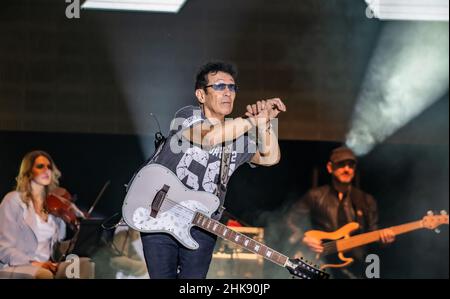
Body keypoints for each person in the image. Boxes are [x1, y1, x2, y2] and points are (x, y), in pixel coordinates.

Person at [140, 61, 287, 279]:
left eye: (232, 87)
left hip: (202, 226)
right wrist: (251, 120)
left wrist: (264, 124)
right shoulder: (187, 116)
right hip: (161, 216)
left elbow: (270, 158)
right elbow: (209, 137)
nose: (228, 92)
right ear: (201, 95)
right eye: (219, 86)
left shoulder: (238, 136)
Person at [286, 146, 395, 279]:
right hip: (321, 264)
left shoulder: (366, 200)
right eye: (341, 165)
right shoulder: (315, 196)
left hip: (356, 269)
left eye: (351, 165)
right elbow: (288, 221)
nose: (347, 169)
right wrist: (303, 238)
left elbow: (373, 232)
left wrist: (384, 240)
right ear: (330, 168)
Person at [0, 150, 93, 279]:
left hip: (48, 264)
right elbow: (3, 248)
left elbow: (60, 249)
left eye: (49, 167)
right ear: (29, 171)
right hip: (18, 265)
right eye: (40, 166)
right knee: (44, 274)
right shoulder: (14, 200)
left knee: (84, 264)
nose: (46, 170)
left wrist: (79, 233)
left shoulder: (53, 205)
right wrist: (34, 263)